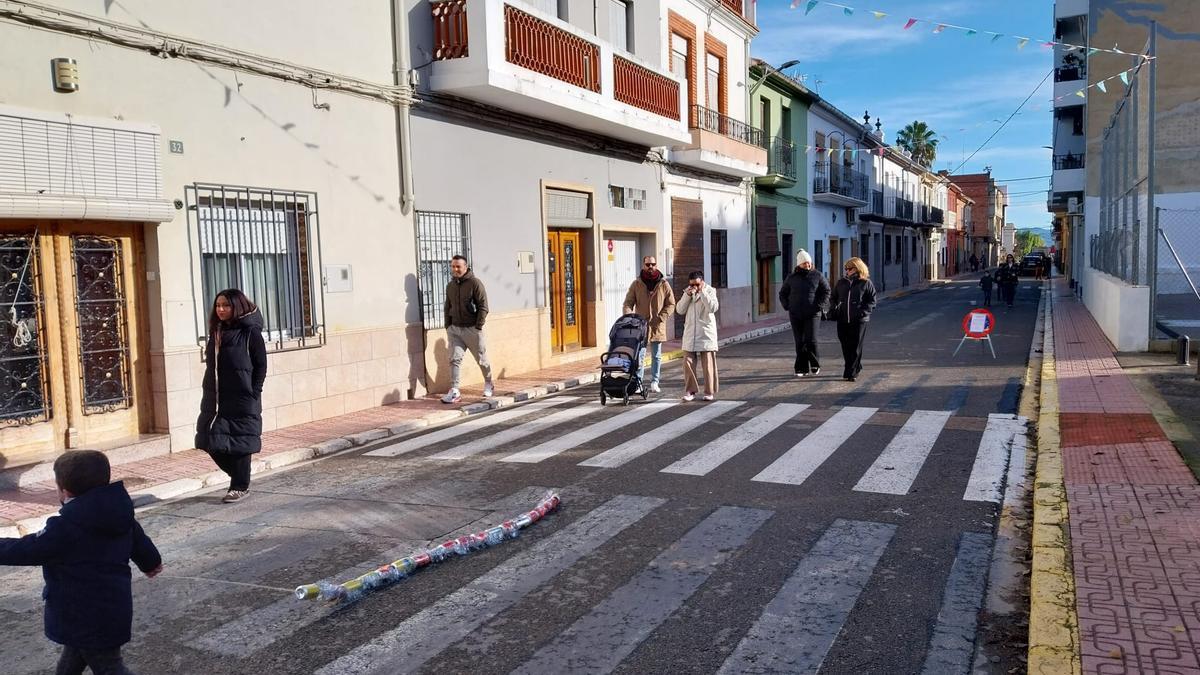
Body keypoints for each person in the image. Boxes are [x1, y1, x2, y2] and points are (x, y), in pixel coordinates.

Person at [0, 450, 162, 675]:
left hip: (81, 613)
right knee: (74, 659)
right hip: (110, 609)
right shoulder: (119, 513)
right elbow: (139, 541)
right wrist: (151, 563)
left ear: (64, 491)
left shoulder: (65, 526)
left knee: (109, 667)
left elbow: (27, 549)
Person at [195, 288, 267, 503]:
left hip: (243, 396)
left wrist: (254, 391)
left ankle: (239, 486)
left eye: (226, 305)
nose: (221, 309)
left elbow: (261, 365)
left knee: (242, 441)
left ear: (237, 306)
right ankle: (239, 477)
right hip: (217, 397)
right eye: (218, 305)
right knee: (207, 439)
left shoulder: (250, 332)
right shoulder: (216, 332)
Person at [442, 255, 493, 404]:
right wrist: (448, 325)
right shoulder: (450, 286)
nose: (455, 269)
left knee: (482, 360)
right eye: (453, 266)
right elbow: (447, 306)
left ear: (466, 267)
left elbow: (484, 306)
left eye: (458, 266)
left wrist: (478, 326)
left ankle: (489, 382)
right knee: (454, 359)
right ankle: (455, 391)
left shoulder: (475, 283)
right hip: (455, 330)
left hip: (472, 329)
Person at [622, 255, 676, 393]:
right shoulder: (637, 284)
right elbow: (628, 302)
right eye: (647, 264)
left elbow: (671, 304)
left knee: (656, 355)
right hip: (640, 326)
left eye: (653, 264)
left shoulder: (664, 284)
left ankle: (654, 382)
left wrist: (661, 317)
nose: (650, 267)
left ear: (656, 265)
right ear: (643, 265)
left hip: (657, 325)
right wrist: (629, 316)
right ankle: (638, 383)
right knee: (639, 355)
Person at [779, 249, 831, 377]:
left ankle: (814, 364)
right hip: (795, 314)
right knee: (799, 341)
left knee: (811, 340)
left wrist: (818, 306)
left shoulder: (817, 275)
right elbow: (782, 293)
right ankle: (801, 368)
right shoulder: (791, 278)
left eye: (809, 263)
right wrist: (788, 306)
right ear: (799, 264)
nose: (807, 265)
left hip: (813, 314)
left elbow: (826, 291)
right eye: (804, 263)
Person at [831, 257, 877, 382]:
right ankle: (854, 366)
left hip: (859, 321)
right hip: (843, 319)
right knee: (845, 345)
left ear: (857, 268)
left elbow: (872, 301)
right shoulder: (841, 282)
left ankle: (851, 372)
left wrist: (862, 312)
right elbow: (833, 297)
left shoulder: (866, 283)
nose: (847, 271)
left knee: (855, 346)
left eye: (849, 268)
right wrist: (835, 308)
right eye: (846, 268)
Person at [676, 271, 720, 401]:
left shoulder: (710, 291)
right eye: (691, 284)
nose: (694, 286)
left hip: (706, 333)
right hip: (690, 333)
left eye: (697, 284)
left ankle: (709, 391)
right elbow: (679, 310)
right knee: (687, 363)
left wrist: (703, 293)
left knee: (708, 365)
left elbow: (713, 307)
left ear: (702, 282)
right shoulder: (688, 292)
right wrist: (686, 295)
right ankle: (690, 391)